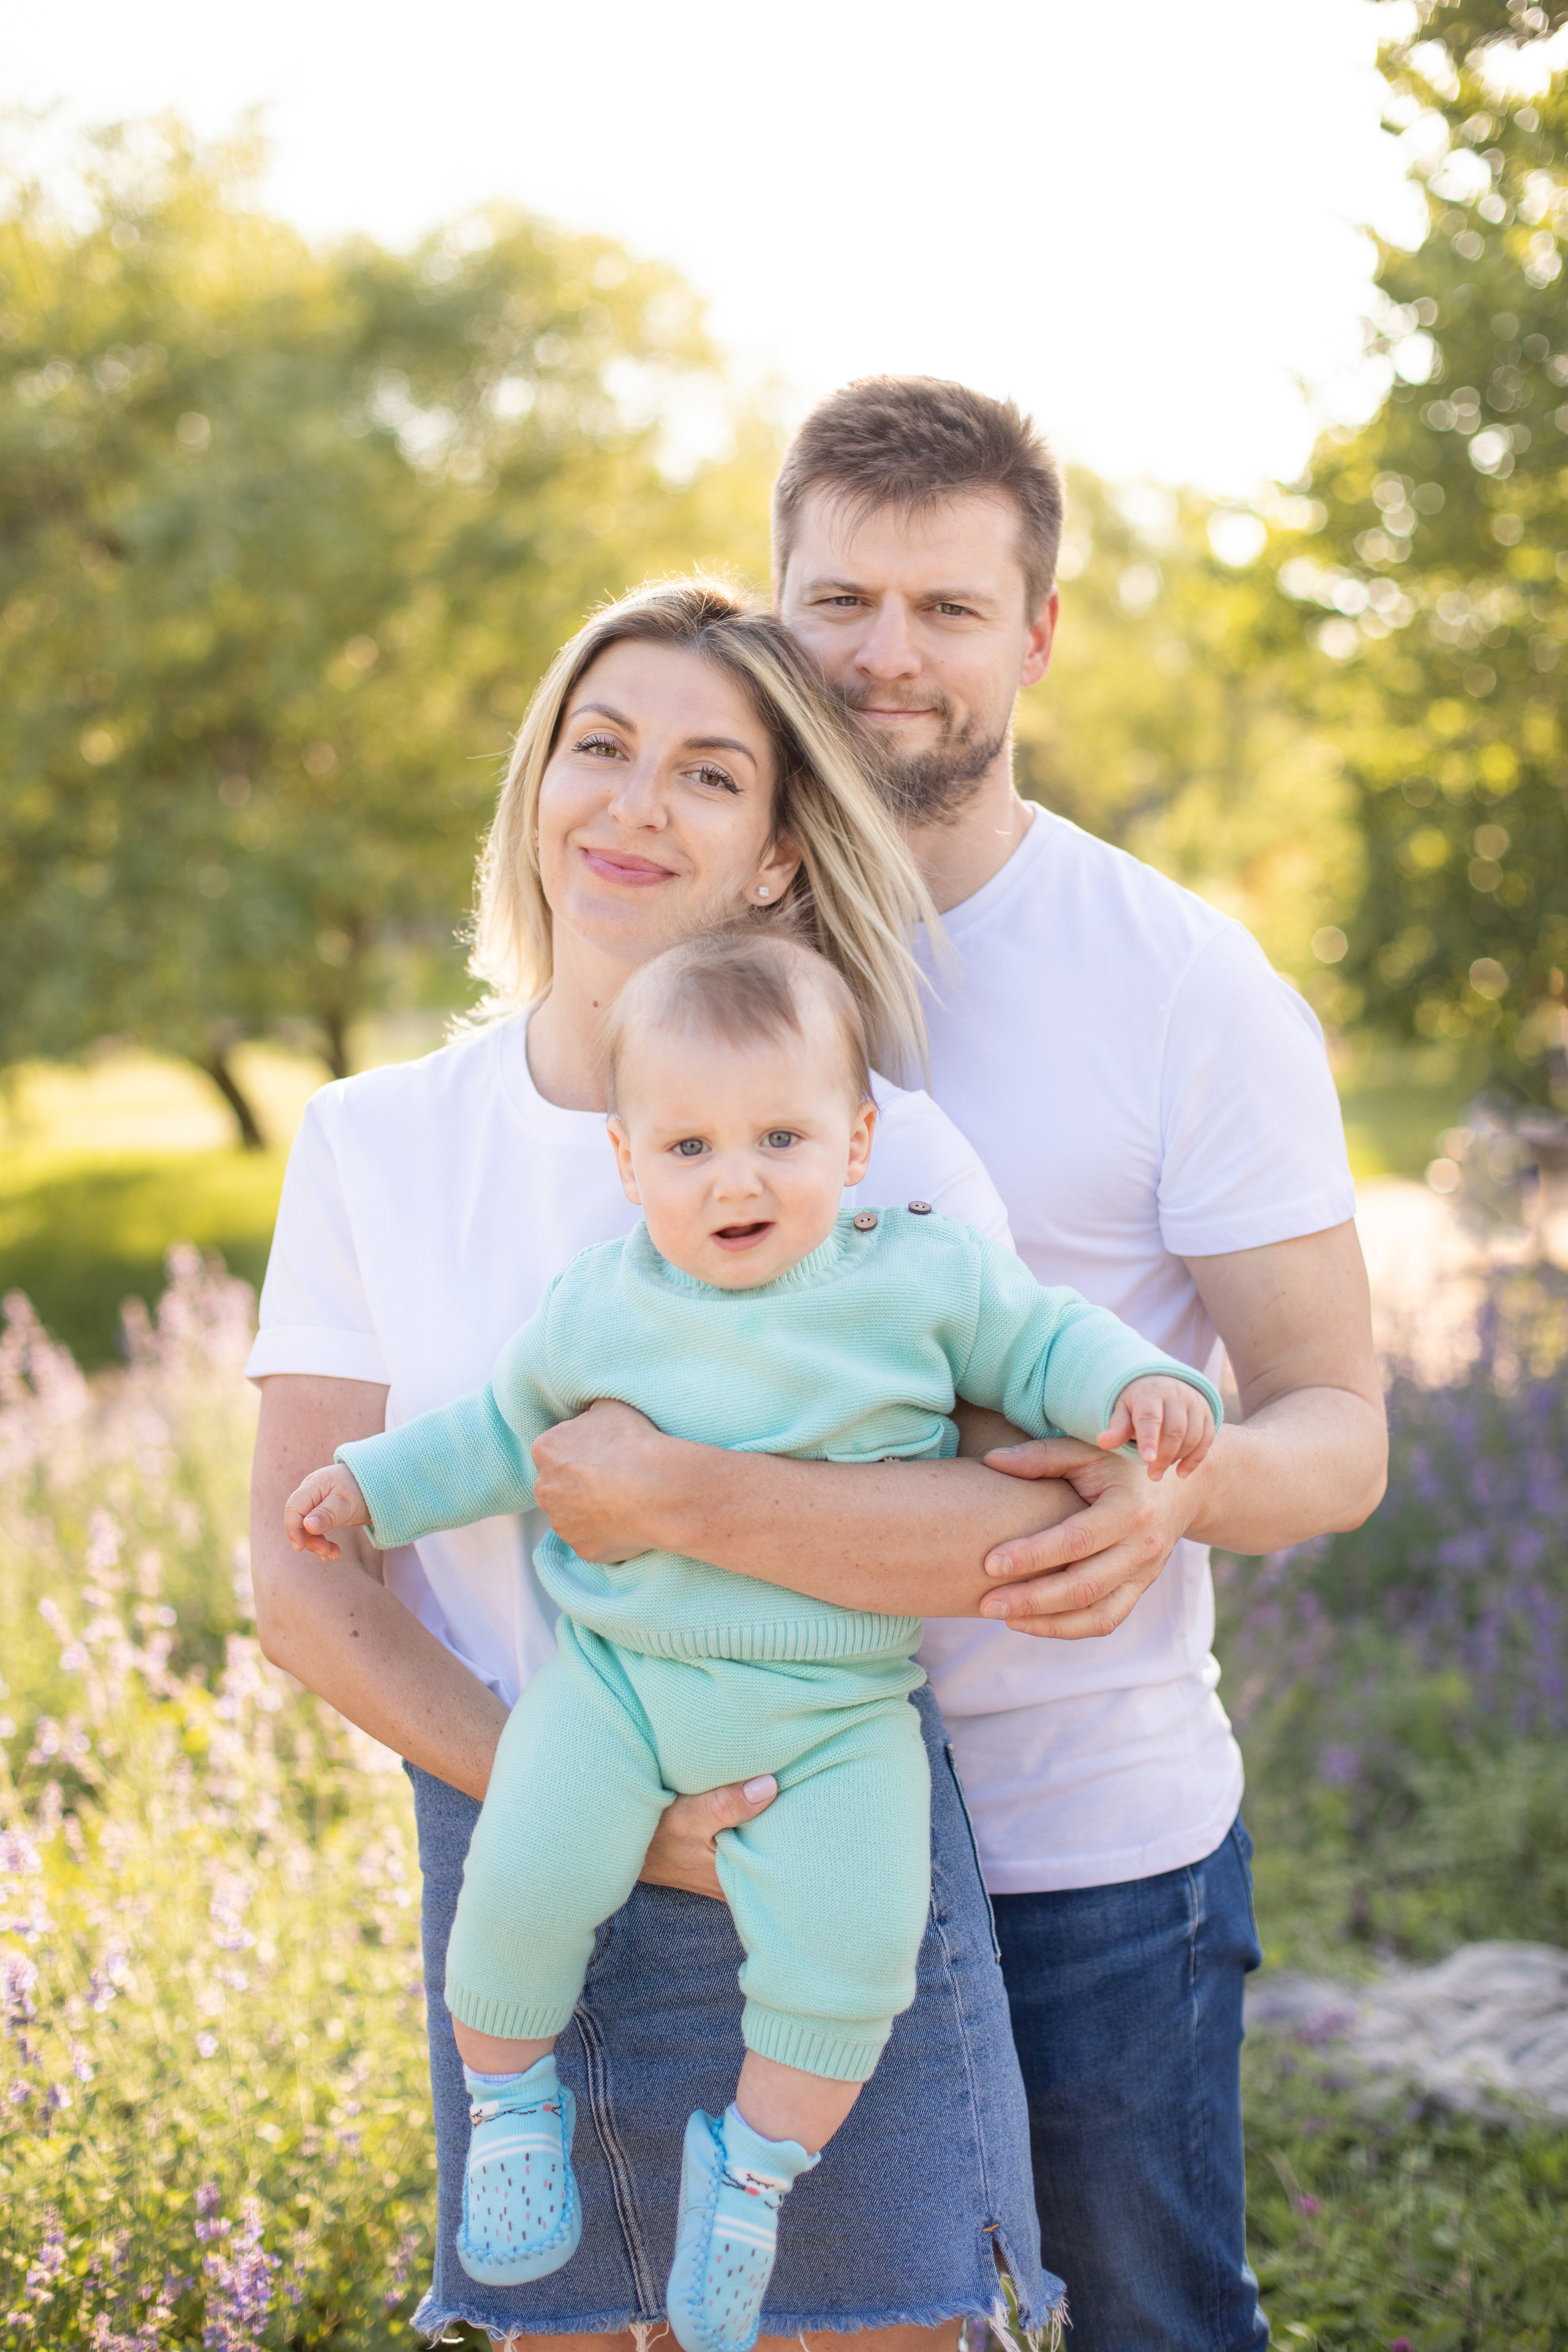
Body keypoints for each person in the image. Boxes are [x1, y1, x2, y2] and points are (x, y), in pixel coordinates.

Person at [524, 380, 1390, 2352]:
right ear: (773, 604)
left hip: (1078, 1844)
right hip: (726, 1832)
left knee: (1142, 2327)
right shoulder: (672, 946)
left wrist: (1172, 1487)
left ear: (1039, 633)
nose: (885, 659)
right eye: (840, 602)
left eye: (947, 610)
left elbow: (1335, 1431)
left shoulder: (1179, 983)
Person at [249, 582, 1114, 2352]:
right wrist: (613, 1826)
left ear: (781, 852)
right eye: (601, 747)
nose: (636, 805)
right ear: (537, 787)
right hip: (531, 1818)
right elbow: (301, 1573)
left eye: (708, 775)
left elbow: (1022, 1523)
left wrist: (685, 1500)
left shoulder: (886, 1145)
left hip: (824, 1813)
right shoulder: (375, 1142)